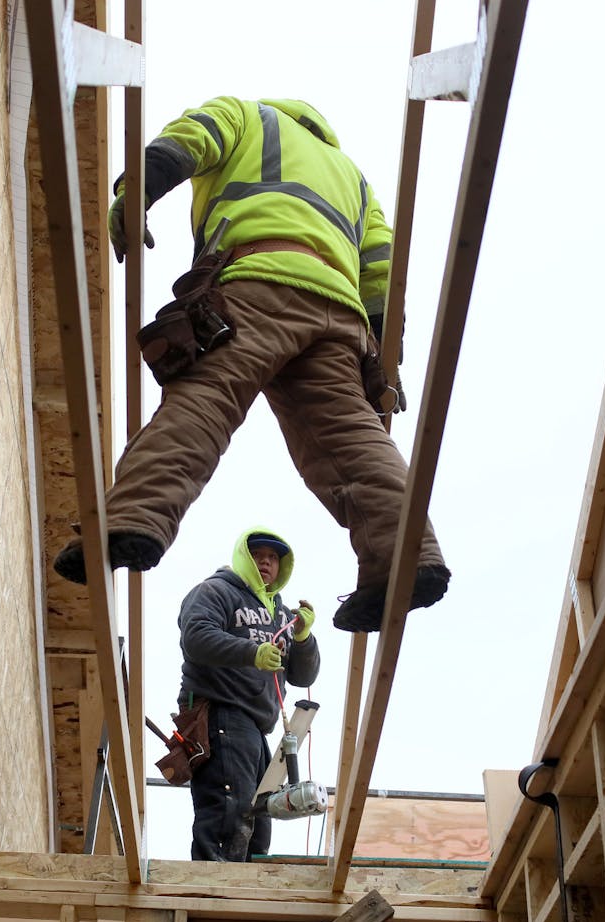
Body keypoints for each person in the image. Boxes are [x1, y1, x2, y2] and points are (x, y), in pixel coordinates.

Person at [53, 95, 449, 632]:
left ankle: (132, 520)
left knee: (204, 401)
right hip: (339, 316)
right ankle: (407, 560)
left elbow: (190, 141)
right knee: (353, 443)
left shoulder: (249, 116)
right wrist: (382, 358)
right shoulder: (353, 178)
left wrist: (138, 189)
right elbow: (381, 268)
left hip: (258, 282)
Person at [176, 528, 320, 861]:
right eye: (259, 556)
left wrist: (303, 638)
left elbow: (303, 675)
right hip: (220, 713)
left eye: (273, 558)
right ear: (244, 558)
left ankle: (241, 887)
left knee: (257, 818)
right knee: (230, 810)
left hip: (255, 727)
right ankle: (214, 890)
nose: (267, 562)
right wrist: (251, 653)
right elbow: (196, 637)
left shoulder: (280, 615)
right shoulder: (215, 592)